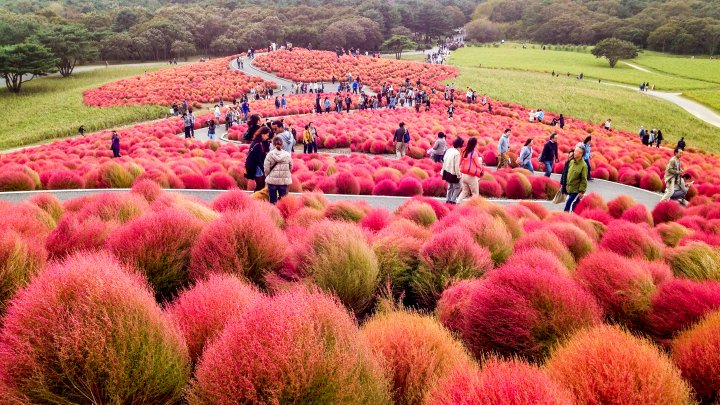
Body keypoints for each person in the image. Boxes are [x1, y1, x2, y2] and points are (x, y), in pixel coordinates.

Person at [264, 137, 293, 205]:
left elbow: (266, 168)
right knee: (283, 201)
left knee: (272, 200)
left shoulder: (269, 155)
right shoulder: (287, 155)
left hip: (272, 181)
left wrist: (268, 175)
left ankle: (273, 213)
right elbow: (291, 167)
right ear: (282, 144)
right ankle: (281, 213)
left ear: (273, 144)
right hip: (283, 181)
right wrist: (285, 174)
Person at [245, 126, 271, 192]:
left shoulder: (259, 142)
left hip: (257, 167)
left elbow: (264, 153)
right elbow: (257, 160)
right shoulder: (258, 144)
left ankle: (256, 197)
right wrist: (263, 168)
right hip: (256, 167)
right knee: (260, 184)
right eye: (267, 135)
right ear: (262, 134)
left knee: (261, 184)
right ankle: (254, 198)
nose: (268, 137)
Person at [563, 144, 588, 213]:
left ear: (581, 154)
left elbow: (584, 180)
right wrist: (566, 184)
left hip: (576, 190)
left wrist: (582, 191)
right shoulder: (571, 162)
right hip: (570, 188)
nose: (574, 152)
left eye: (576, 151)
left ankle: (565, 217)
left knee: (569, 203)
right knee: (575, 204)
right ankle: (576, 217)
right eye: (575, 151)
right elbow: (568, 174)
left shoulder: (583, 165)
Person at [458, 137, 484, 203]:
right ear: (474, 144)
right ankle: (473, 207)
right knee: (475, 193)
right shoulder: (474, 153)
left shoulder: (464, 152)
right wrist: (482, 169)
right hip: (471, 176)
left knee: (464, 191)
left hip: (463, 175)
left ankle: (458, 203)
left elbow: (459, 162)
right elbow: (478, 164)